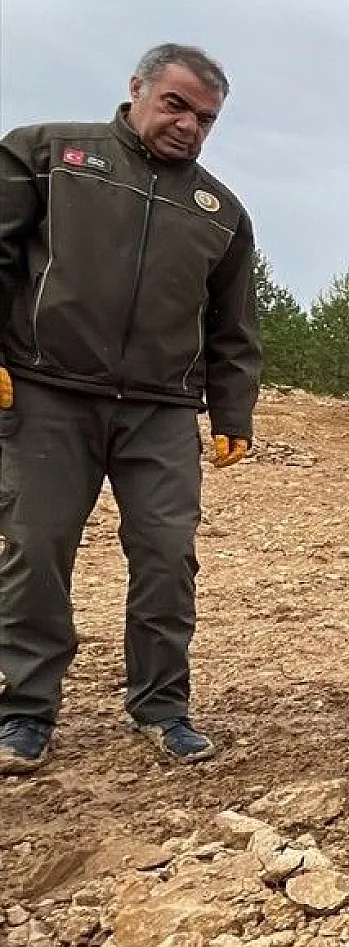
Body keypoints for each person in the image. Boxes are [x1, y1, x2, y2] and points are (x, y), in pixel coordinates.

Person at [0, 44, 262, 773]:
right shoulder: (48, 155)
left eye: (205, 119)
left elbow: (234, 326)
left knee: (168, 557)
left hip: (160, 410)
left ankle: (161, 707)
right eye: (176, 104)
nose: (188, 126)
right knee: (36, 546)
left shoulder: (221, 213)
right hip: (48, 389)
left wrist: (233, 414)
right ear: (137, 89)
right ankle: (24, 712)